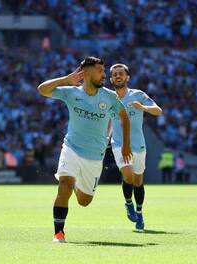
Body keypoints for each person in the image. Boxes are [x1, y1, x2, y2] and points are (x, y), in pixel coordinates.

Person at [37, 57, 132, 243]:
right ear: (87, 73)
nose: (104, 75)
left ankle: (74, 183)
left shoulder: (109, 96)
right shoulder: (72, 93)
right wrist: (65, 79)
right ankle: (59, 233)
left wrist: (126, 144)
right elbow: (42, 89)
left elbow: (124, 117)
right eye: (100, 71)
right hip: (71, 147)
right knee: (63, 186)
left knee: (84, 201)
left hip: (95, 155)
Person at [109, 63, 162, 231]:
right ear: (111, 79)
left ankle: (139, 212)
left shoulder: (137, 95)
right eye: (115, 74)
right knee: (129, 176)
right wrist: (105, 137)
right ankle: (128, 203)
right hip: (118, 143)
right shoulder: (108, 97)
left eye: (121, 73)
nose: (118, 76)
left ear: (127, 77)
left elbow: (158, 110)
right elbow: (107, 120)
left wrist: (143, 107)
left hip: (138, 145)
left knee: (138, 181)